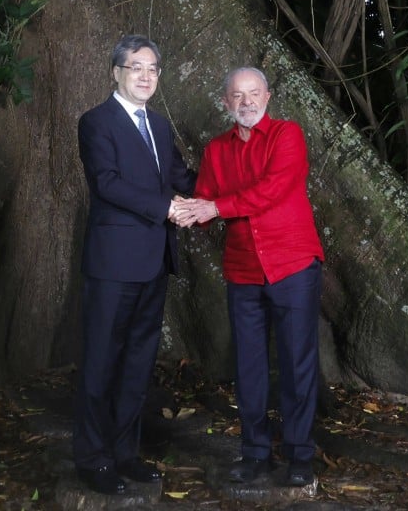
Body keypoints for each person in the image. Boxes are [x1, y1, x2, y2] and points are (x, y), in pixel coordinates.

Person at [173, 66, 324, 487]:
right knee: (250, 367)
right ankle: (255, 453)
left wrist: (215, 208)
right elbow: (202, 202)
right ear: (226, 103)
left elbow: (275, 188)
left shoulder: (286, 135)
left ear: (268, 96)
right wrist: (176, 207)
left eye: (253, 93)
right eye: (237, 96)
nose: (247, 102)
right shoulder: (216, 151)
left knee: (296, 364)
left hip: (293, 265)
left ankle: (299, 457)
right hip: (243, 271)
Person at [73, 34, 197, 495]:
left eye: (153, 69)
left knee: (138, 364)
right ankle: (93, 457)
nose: (146, 76)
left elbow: (182, 178)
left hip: (154, 264)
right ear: (116, 72)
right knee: (101, 361)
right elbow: (107, 184)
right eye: (136, 67)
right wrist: (168, 208)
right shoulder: (96, 122)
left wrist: (218, 198)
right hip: (112, 265)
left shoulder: (160, 127)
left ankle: (125, 454)